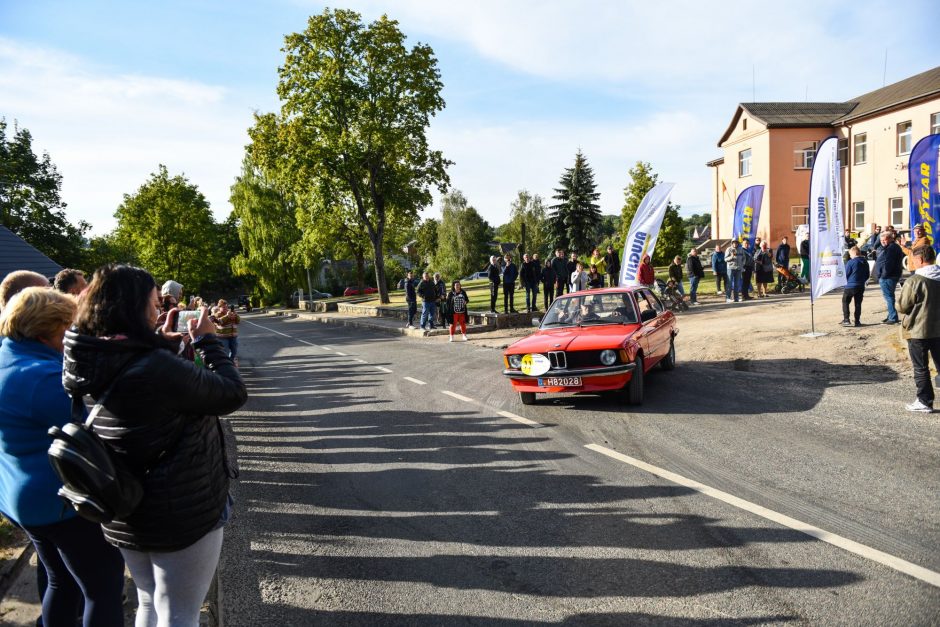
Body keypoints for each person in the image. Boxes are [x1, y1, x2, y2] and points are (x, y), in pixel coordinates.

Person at [62, 265, 246, 627]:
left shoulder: (86, 357)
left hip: (125, 504)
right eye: (152, 302)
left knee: (148, 600)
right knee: (179, 612)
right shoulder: (155, 367)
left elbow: (140, 393)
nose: (159, 310)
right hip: (180, 506)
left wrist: (159, 344)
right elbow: (231, 393)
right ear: (132, 307)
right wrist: (208, 341)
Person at [0, 287, 126, 627]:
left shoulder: (9, 358)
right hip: (60, 502)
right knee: (102, 588)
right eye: (68, 329)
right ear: (47, 331)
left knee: (62, 581)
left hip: (22, 497)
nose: (74, 335)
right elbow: (97, 425)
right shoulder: (39, 378)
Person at [897, 245, 940, 413]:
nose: (913, 263)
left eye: (914, 260)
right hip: (938, 329)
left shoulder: (914, 281)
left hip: (918, 330)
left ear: (920, 260)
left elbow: (902, 306)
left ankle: (924, 401)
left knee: (921, 367)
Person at [875, 231, 904, 325]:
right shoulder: (891, 247)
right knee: (889, 296)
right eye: (881, 240)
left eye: (885, 240)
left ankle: (893, 317)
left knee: (889, 297)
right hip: (890, 275)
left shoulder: (891, 248)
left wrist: (882, 275)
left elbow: (887, 263)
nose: (883, 242)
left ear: (891, 239)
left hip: (888, 276)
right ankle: (890, 315)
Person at [842, 245, 870, 327]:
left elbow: (846, 274)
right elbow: (867, 275)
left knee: (845, 301)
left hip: (850, 286)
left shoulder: (851, 262)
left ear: (854, 253)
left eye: (850, 254)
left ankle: (846, 319)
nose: (850, 256)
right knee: (858, 304)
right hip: (860, 286)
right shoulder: (865, 262)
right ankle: (857, 321)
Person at [211, 299, 241, 365]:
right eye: (223, 307)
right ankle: (228, 364)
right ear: (219, 308)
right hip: (223, 337)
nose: (225, 308)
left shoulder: (230, 312)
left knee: (234, 351)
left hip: (233, 336)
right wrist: (227, 316)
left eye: (226, 307)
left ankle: (231, 361)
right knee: (225, 352)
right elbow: (220, 322)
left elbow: (238, 321)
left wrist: (235, 316)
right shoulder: (217, 315)